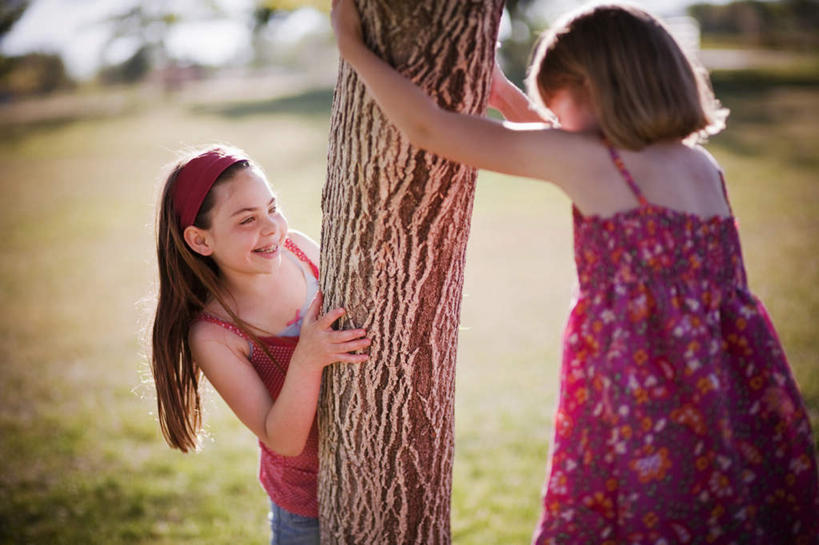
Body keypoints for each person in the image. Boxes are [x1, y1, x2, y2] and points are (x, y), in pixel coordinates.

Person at [330, 1, 819, 542]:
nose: (553, 124)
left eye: (557, 110)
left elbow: (429, 127)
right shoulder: (702, 167)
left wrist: (353, 48)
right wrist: (500, 94)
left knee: (636, 514)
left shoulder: (595, 163)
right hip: (727, 386)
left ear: (590, 89)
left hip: (641, 390)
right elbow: (559, 139)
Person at [150, 145, 371, 545]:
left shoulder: (303, 253)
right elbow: (282, 439)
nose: (271, 227)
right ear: (201, 240)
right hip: (308, 508)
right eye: (247, 220)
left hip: (374, 481)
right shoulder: (215, 334)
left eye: (272, 208)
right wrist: (307, 357)